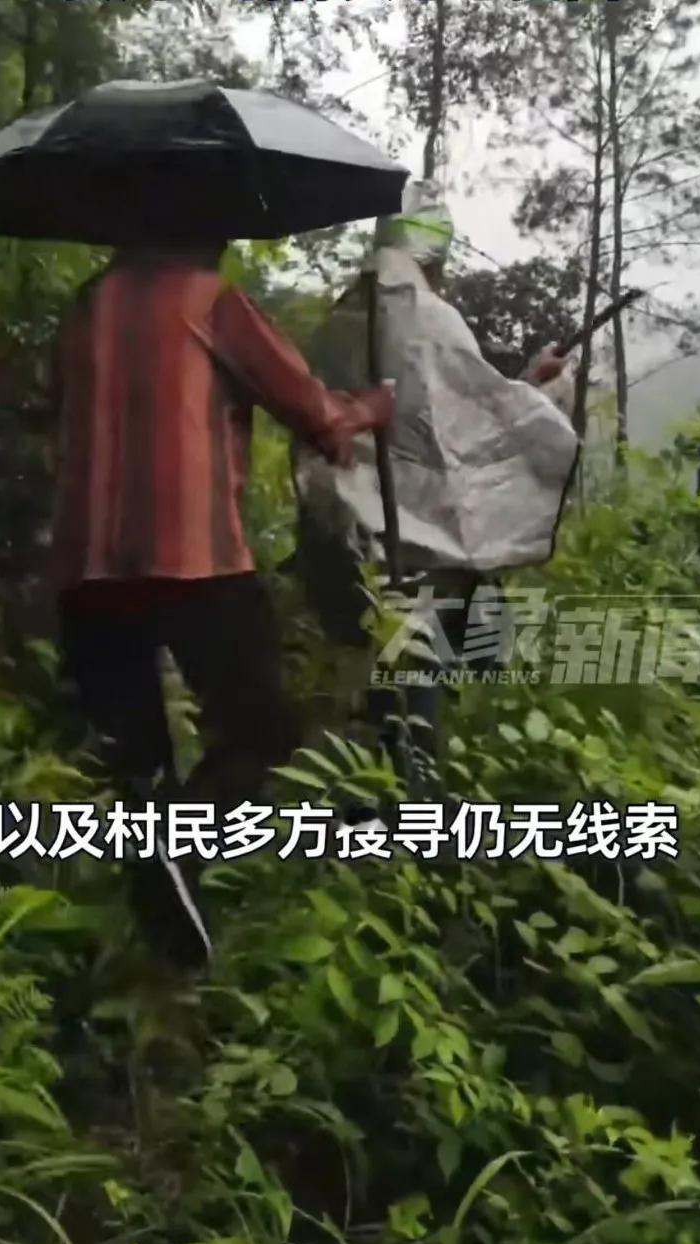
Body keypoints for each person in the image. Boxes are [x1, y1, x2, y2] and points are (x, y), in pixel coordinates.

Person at [49, 239, 395, 967]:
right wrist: (370, 408)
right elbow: (317, 415)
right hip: (194, 559)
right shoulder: (213, 301)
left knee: (136, 758)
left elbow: (59, 408)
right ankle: (178, 854)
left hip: (86, 568)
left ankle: (161, 938)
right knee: (261, 732)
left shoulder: (85, 305)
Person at [290, 182, 578, 806]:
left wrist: (524, 379)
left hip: (342, 535)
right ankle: (417, 818)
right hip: (420, 541)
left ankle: (370, 806)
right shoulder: (435, 320)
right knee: (418, 681)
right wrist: (544, 395)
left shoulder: (340, 320)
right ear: (435, 254)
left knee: (376, 674)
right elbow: (473, 432)